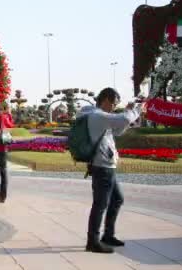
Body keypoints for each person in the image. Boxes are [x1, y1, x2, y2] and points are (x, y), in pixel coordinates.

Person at [78, 88, 141, 253]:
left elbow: (119, 129)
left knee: (117, 199)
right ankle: (93, 241)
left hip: (107, 165)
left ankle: (108, 235)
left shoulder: (100, 117)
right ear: (105, 99)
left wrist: (129, 112)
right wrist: (135, 110)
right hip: (102, 166)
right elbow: (125, 118)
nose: (113, 107)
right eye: (113, 103)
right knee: (100, 204)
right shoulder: (96, 115)